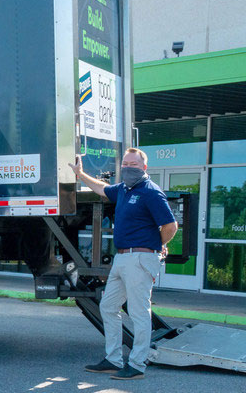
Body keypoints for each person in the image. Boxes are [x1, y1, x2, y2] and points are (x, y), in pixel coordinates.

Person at [70, 148, 177, 380]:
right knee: (108, 307)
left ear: (144, 168)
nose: (129, 167)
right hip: (122, 258)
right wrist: (80, 174)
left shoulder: (151, 192)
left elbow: (171, 226)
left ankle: (137, 365)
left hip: (140, 258)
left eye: (134, 164)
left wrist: (155, 244)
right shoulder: (124, 190)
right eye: (126, 163)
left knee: (139, 313)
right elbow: (101, 188)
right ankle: (113, 359)